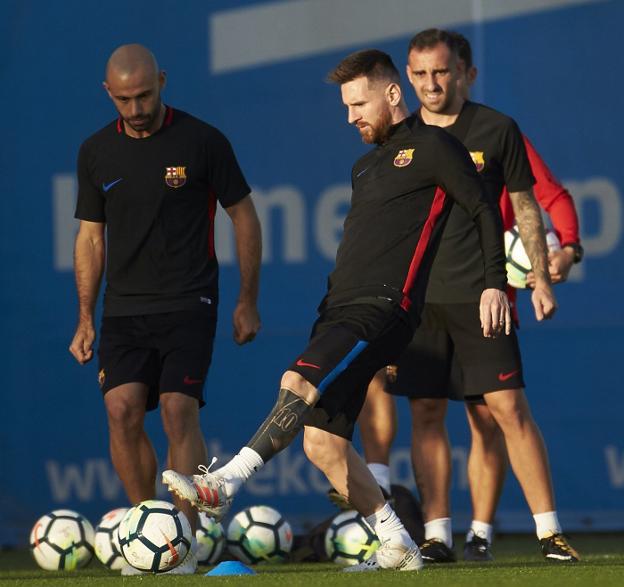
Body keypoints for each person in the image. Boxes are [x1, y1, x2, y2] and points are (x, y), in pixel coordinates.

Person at [163, 48, 511, 573]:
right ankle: (397, 543)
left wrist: (493, 284)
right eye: (345, 107)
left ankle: (225, 480)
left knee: (296, 380)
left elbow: (483, 209)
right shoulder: (364, 165)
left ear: (392, 95)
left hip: (384, 306)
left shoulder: (436, 146)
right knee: (323, 445)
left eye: (358, 104)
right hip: (343, 310)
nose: (351, 117)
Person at [358, 29, 580, 565]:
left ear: (464, 73)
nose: (431, 84)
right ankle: (437, 535)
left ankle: (548, 533)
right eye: (419, 74)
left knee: (507, 409)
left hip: (486, 294)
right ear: (405, 79)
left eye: (441, 72)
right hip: (417, 301)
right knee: (427, 413)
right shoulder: (398, 138)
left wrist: (542, 280)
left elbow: (527, 205)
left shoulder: (496, 128)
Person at [68, 44, 262, 576]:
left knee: (179, 411)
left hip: (189, 300)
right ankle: (145, 533)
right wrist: (85, 316)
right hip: (125, 309)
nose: (135, 109)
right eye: (124, 100)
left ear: (163, 81)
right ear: (109, 93)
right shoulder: (94, 153)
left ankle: (188, 541)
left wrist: (247, 298)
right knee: (121, 410)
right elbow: (90, 239)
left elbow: (244, 216)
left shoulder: (202, 141)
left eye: (145, 95)